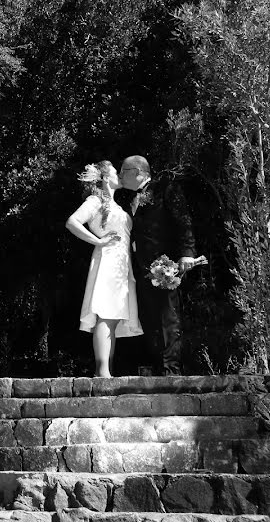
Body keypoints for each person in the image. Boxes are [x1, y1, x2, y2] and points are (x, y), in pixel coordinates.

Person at [116, 155, 200, 375]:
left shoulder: (166, 189)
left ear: (138, 172)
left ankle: (171, 370)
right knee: (149, 318)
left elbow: (183, 221)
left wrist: (187, 253)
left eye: (123, 171)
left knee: (167, 317)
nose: (120, 175)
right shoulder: (126, 200)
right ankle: (156, 366)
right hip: (140, 268)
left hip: (165, 264)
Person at [66, 161, 142, 378]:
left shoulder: (117, 206)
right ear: (106, 178)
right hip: (108, 261)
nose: (119, 174)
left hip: (122, 264)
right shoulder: (95, 200)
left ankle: (107, 369)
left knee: (114, 316)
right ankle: (102, 372)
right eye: (116, 172)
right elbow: (72, 222)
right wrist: (98, 241)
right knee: (106, 314)